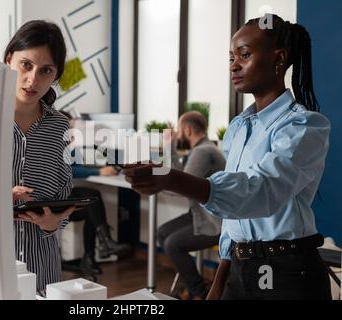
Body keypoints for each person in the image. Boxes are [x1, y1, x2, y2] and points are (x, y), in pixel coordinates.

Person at [123, 14, 332, 300]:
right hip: (239, 267)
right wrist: (220, 281)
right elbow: (234, 220)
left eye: (244, 55)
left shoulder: (304, 126)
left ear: (278, 58)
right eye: (231, 57)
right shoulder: (237, 127)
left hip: (288, 271)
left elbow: (262, 190)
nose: (234, 65)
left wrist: (171, 178)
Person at [5, 20, 75, 297]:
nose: (33, 79)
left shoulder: (60, 126)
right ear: (9, 59)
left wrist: (55, 223)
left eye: (45, 70)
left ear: (55, 75)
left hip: (42, 267)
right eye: (26, 65)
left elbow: (64, 192)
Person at [157, 111, 225, 300]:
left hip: (213, 222)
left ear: (187, 129)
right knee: (163, 232)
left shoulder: (202, 152)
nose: (178, 135)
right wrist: (169, 145)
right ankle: (193, 285)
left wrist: (154, 185)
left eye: (179, 131)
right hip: (200, 214)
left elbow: (180, 187)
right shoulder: (202, 148)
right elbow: (179, 174)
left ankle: (200, 292)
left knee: (172, 244)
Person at [61, 111, 130, 275]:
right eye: (69, 127)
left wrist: (101, 168)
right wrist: (100, 172)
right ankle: (101, 247)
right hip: (52, 201)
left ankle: (94, 254)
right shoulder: (51, 145)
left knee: (93, 202)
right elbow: (68, 170)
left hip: (62, 194)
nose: (71, 130)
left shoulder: (65, 144)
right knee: (93, 203)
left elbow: (76, 163)